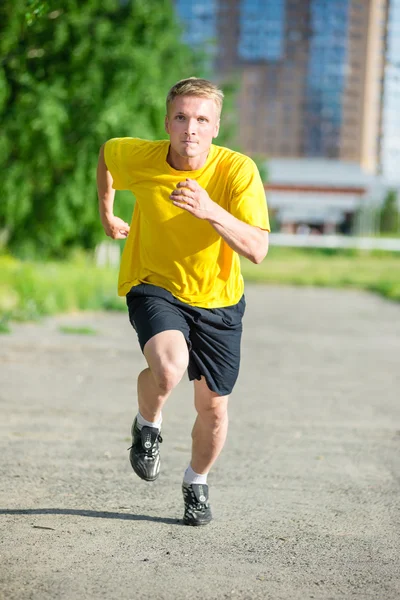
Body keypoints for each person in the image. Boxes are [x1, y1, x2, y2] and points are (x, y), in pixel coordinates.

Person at [96, 77, 270, 526]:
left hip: (219, 299)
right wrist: (107, 211)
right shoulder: (143, 156)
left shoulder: (237, 171)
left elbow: (257, 249)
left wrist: (210, 210)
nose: (189, 128)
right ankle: (147, 426)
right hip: (154, 282)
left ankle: (196, 481)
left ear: (214, 127)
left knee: (212, 407)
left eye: (201, 120)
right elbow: (107, 156)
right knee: (169, 367)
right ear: (168, 121)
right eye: (181, 117)